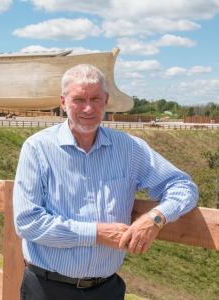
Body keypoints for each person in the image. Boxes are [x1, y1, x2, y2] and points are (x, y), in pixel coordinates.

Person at [13, 64, 198, 300]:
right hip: (47, 288)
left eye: (95, 99)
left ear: (106, 100)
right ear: (63, 102)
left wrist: (155, 218)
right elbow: (27, 222)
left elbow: (183, 186)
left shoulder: (129, 148)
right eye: (79, 99)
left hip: (106, 290)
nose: (88, 108)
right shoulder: (37, 148)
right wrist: (96, 233)